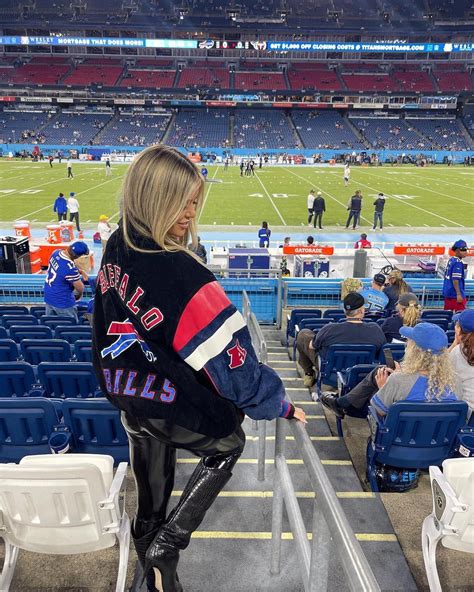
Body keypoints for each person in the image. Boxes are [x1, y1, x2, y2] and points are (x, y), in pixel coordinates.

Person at [91, 145, 305, 592]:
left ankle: (146, 578)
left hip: (129, 395)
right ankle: (168, 546)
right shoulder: (183, 273)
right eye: (182, 201)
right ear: (155, 198)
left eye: (193, 201)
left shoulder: (117, 242)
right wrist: (277, 403)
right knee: (228, 440)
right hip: (168, 402)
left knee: (149, 502)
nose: (190, 212)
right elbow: (234, 365)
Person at [321, 322, 457, 419]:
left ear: (415, 350)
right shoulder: (454, 382)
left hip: (394, 445)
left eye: (409, 341)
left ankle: (341, 404)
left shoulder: (398, 380)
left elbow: (378, 413)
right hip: (440, 450)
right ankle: (341, 403)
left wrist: (383, 387)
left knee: (377, 378)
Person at [296, 292, 386, 388]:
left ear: (344, 310)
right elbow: (383, 352)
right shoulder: (375, 329)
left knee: (303, 334)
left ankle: (309, 374)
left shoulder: (329, 329)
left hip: (331, 374)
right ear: (361, 311)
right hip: (363, 375)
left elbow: (311, 346)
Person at [44, 241, 89, 322]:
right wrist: (79, 295)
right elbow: (80, 288)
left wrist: (78, 271)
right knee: (70, 327)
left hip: (49, 296)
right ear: (76, 256)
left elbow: (61, 269)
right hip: (63, 302)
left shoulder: (55, 253)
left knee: (51, 324)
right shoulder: (70, 268)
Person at [449, 309, 474, 417]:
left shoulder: (457, 351)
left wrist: (455, 343)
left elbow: (439, 368)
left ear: (459, 330)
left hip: (467, 414)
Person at [443, 240, 468, 311]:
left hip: (448, 292)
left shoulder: (451, 260)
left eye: (466, 249)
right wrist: (458, 294)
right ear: (457, 251)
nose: (465, 252)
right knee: (461, 316)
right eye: (463, 250)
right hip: (455, 295)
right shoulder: (458, 263)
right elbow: (455, 280)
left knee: (448, 315)